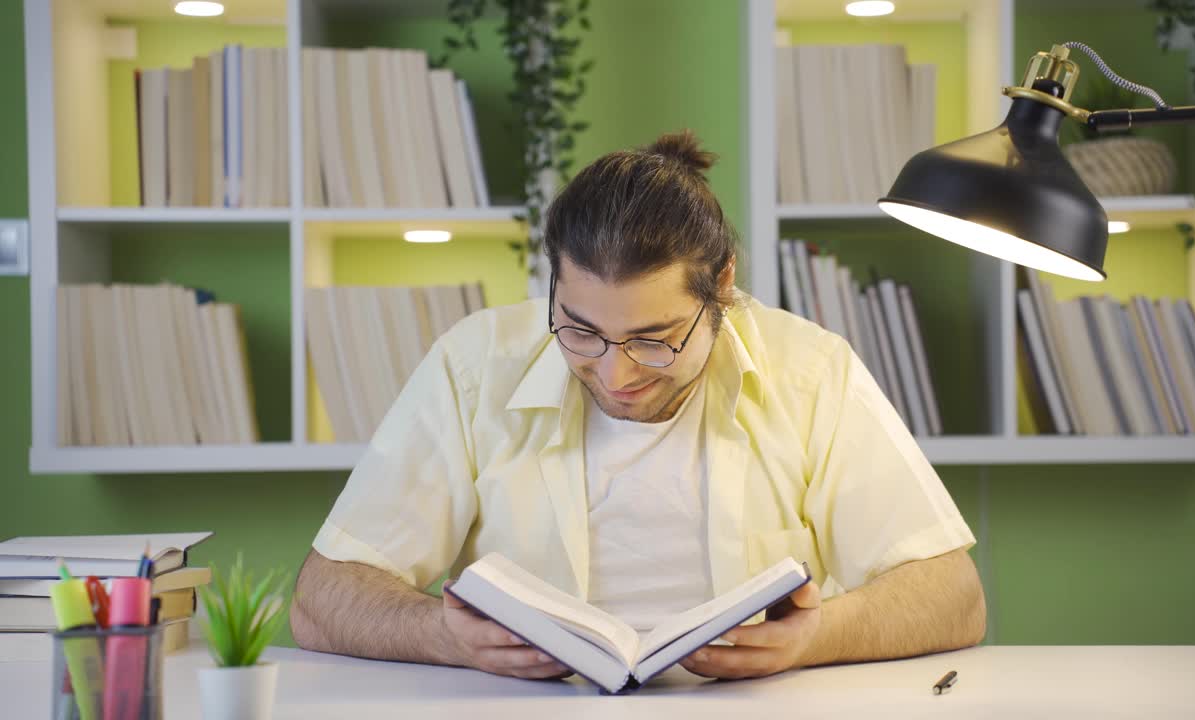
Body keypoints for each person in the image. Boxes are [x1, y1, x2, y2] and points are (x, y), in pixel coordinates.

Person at [290, 130, 985, 682]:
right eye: (581, 332)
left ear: (723, 289)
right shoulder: (475, 365)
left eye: (654, 341)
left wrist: (814, 638)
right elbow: (322, 601)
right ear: (553, 283)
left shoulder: (810, 370)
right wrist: (442, 636)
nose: (615, 373)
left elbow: (954, 597)